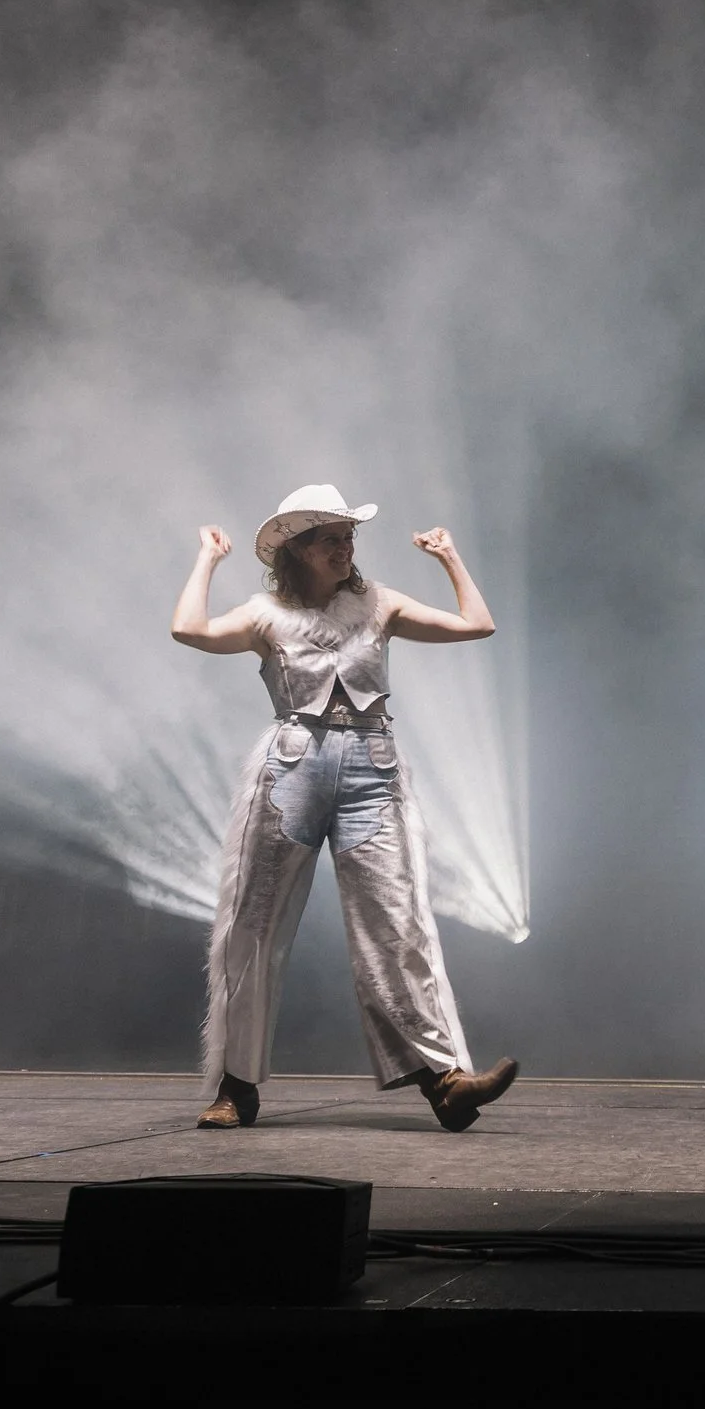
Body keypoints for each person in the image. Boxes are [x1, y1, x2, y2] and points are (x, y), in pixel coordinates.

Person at [170, 483, 519, 1132]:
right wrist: (207, 561)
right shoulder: (264, 615)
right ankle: (234, 1087)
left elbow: (477, 624)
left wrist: (449, 558)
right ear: (298, 550)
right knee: (251, 926)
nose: (345, 546)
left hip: (372, 771)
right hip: (291, 771)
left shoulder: (378, 604)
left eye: (348, 535)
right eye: (330, 537)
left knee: (399, 920)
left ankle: (444, 1080)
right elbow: (188, 628)